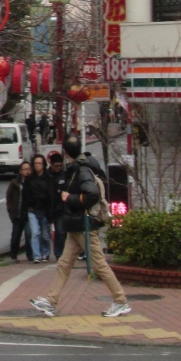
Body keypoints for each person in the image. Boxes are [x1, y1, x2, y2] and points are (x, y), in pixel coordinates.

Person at [31, 135, 131, 319]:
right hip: (76, 225)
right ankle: (51, 301)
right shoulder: (79, 167)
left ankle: (120, 300)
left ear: (65, 152)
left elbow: (92, 194)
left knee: (99, 265)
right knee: (64, 264)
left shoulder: (82, 170)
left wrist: (69, 198)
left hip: (84, 225)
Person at [25, 153, 55, 263]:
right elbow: (25, 196)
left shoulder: (49, 179)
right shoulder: (29, 179)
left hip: (45, 209)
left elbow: (52, 196)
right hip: (32, 209)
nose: (37, 165)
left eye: (39, 163)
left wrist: (51, 212)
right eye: (35, 163)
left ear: (43, 164)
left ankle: (45, 253)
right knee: (35, 232)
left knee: (45, 234)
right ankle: (36, 256)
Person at [6, 161, 32, 262]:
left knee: (29, 234)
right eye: (25, 169)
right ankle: (13, 255)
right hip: (17, 214)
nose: (27, 171)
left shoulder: (32, 182)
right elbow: (9, 197)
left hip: (29, 213)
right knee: (16, 235)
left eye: (29, 169)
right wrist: (11, 211)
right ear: (20, 171)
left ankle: (30, 254)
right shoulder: (14, 183)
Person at [48, 151, 68, 259]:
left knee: (61, 232)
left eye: (60, 166)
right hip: (50, 208)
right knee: (46, 233)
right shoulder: (47, 176)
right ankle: (54, 253)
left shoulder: (64, 175)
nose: (58, 168)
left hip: (62, 208)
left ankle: (60, 253)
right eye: (56, 166)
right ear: (51, 164)